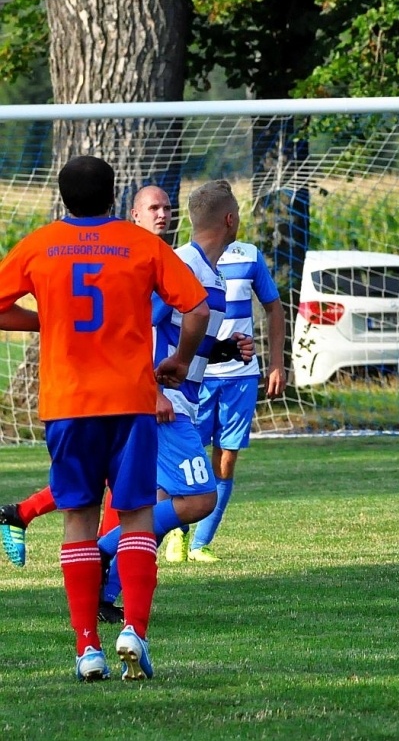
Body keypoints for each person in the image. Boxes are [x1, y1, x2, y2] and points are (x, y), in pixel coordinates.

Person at [0, 156, 211, 681]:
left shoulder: (40, 244)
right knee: (137, 515)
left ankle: (87, 649)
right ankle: (134, 632)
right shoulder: (141, 245)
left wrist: (44, 321)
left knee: (78, 520)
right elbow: (197, 309)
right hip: (131, 401)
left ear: (63, 198)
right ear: (115, 196)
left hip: (68, 405)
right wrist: (180, 362)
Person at [0, 186, 249, 585]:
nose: (162, 214)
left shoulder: (198, 266)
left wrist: (223, 350)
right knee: (189, 499)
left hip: (163, 395)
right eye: (153, 207)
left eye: (167, 207)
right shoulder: (174, 261)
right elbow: (139, 328)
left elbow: (181, 331)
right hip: (152, 397)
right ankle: (101, 554)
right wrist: (157, 391)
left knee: (125, 487)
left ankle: (87, 568)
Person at [185, 181, 286, 562]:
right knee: (188, 456)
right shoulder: (185, 260)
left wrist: (276, 363)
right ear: (229, 218)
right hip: (196, 375)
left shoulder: (249, 255)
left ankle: (200, 543)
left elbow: (274, 308)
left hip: (240, 375)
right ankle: (175, 532)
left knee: (225, 459)